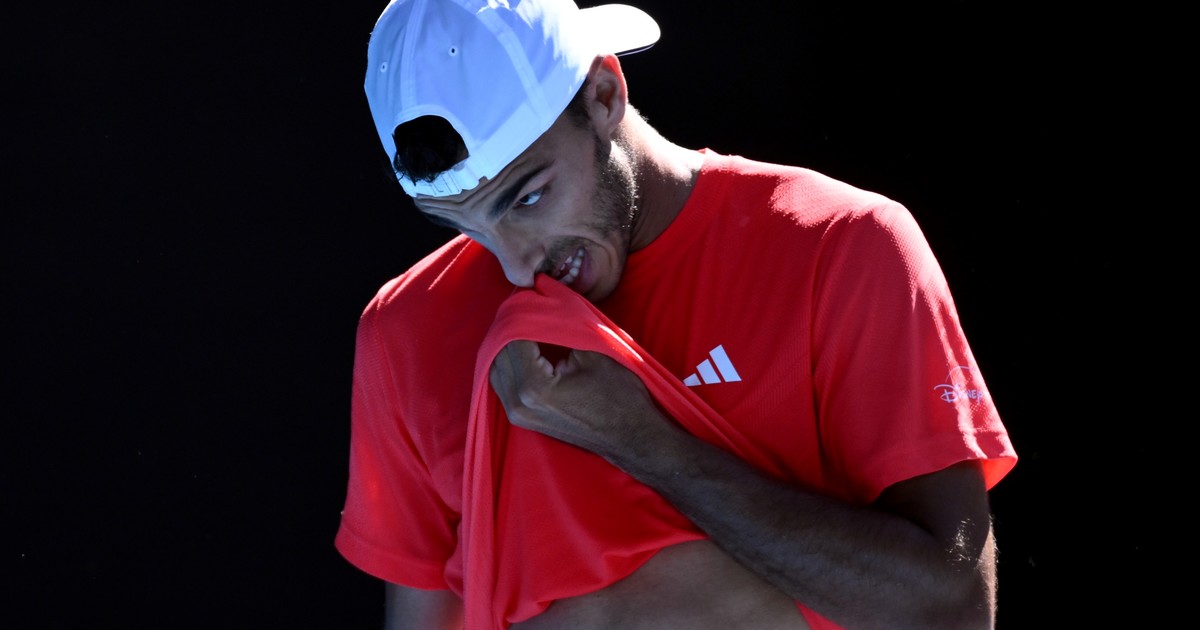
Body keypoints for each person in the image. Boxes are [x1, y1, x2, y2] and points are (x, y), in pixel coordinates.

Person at [334, 1, 1018, 628]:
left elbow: (954, 606)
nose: (515, 268)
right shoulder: (405, 330)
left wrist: (643, 442)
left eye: (527, 198)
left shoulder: (839, 245)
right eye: (466, 226)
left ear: (604, 94)